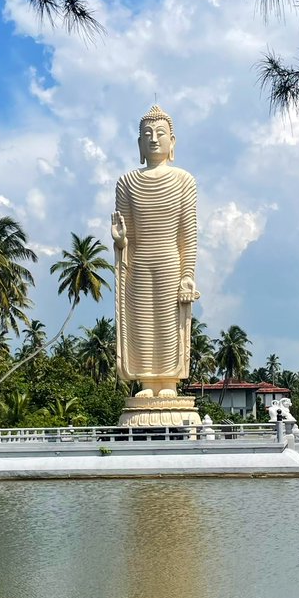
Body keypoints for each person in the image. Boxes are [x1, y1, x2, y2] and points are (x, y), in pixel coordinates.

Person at [112, 105, 199, 397]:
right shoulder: (126, 183)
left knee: (168, 323)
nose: (153, 139)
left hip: (170, 263)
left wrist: (187, 275)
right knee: (142, 322)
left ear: (172, 141)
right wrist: (121, 241)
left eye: (160, 133)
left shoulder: (184, 181)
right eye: (146, 134)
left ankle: (169, 382)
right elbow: (128, 234)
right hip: (138, 263)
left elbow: (188, 235)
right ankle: (148, 381)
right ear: (139, 144)